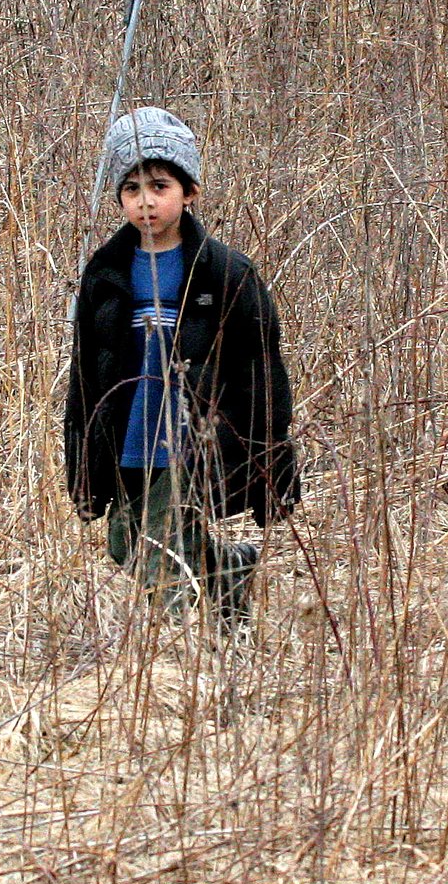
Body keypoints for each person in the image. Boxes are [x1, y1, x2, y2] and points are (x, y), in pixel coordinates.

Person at [62, 107, 299, 628]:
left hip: (193, 436)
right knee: (126, 541)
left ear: (188, 191)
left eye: (159, 185)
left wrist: (270, 456)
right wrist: (81, 457)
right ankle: (228, 567)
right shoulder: (104, 274)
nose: (145, 201)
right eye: (131, 188)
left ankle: (185, 649)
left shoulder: (225, 271)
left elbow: (262, 368)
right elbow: (84, 375)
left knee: (163, 548)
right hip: (128, 431)